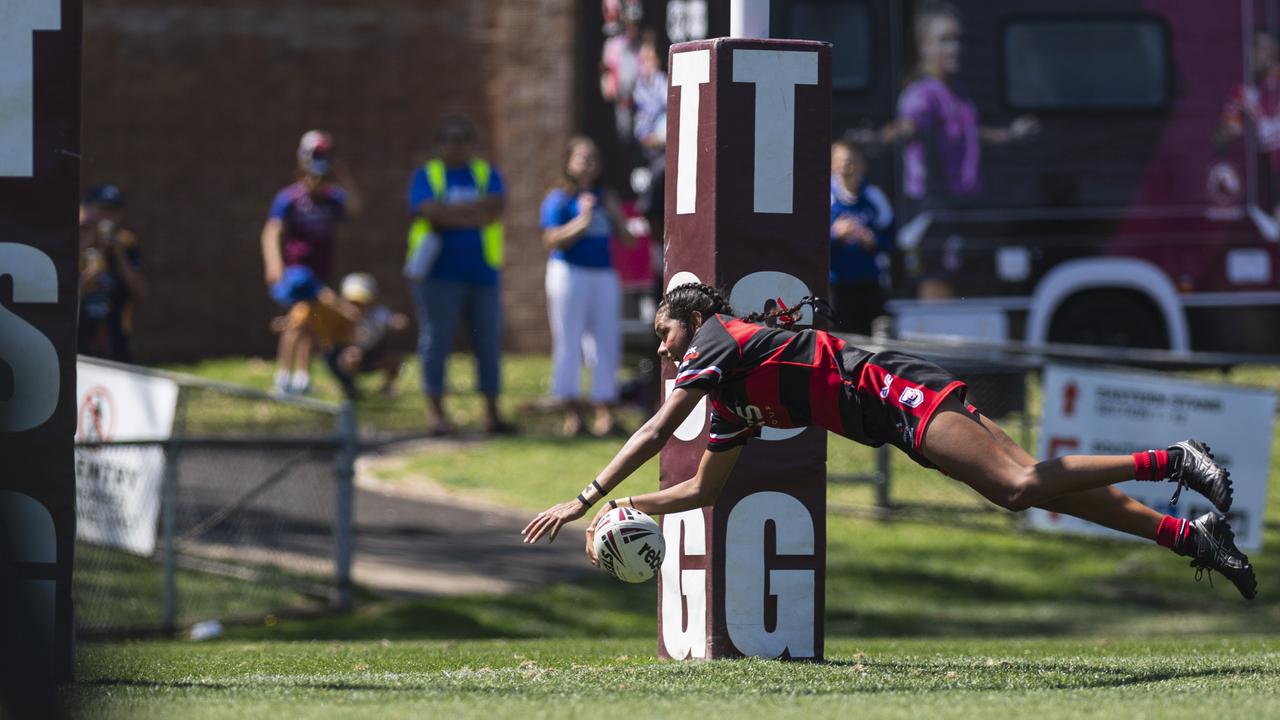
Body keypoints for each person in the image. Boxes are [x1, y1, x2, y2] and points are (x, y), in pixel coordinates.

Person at [522, 283, 1257, 601]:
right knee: (1029, 484)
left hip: (888, 386)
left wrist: (585, 497)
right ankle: (1189, 538)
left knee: (1019, 487)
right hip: (891, 417)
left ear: (693, 319)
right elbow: (703, 492)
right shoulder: (730, 403)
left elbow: (655, 428)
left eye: (664, 335)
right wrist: (625, 513)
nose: (662, 350)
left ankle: (1175, 459)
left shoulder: (717, 338)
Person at [406, 115, 515, 436]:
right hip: (437, 275)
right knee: (436, 341)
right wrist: (472, 215)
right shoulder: (427, 175)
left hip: (482, 274)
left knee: (488, 342)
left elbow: (495, 207)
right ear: (439, 144)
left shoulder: (485, 173)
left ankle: (492, 414)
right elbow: (429, 212)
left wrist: (450, 214)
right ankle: (436, 413)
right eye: (449, 139)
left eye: (463, 138)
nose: (456, 145)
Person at [540, 136, 635, 437]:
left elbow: (629, 241)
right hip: (569, 273)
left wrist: (616, 215)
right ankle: (572, 413)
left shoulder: (606, 196)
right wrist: (583, 220)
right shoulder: (559, 198)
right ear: (569, 162)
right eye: (582, 158)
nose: (588, 164)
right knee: (569, 340)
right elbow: (552, 239)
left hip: (603, 274)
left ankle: (604, 410)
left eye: (593, 158)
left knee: (606, 342)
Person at [261, 130, 363, 394]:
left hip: (320, 271)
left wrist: (342, 175)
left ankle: (301, 378)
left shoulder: (332, 198)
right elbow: (272, 230)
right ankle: (285, 376)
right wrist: (274, 264)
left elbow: (356, 207)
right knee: (300, 319)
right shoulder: (291, 198)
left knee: (309, 322)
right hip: (297, 272)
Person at [829, 140, 895, 335]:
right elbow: (808, 243)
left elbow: (891, 240)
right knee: (840, 337)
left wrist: (873, 240)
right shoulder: (824, 198)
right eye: (841, 161)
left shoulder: (875, 197)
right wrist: (835, 235)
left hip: (870, 282)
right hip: (836, 284)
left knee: (873, 337)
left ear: (862, 165)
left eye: (852, 161)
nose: (847, 167)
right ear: (832, 165)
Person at [78, 183, 148, 361]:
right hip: (78, 342)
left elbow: (141, 292)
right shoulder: (75, 239)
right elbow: (68, 295)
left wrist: (119, 254)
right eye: (103, 209)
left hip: (115, 342)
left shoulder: (126, 243)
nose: (108, 217)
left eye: (114, 210)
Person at [323, 273, 410, 401]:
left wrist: (398, 322)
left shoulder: (378, 314)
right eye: (353, 301)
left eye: (362, 301)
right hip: (345, 358)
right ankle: (349, 387)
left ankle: (386, 387)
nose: (357, 306)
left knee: (396, 359)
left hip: (369, 356)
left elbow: (392, 320)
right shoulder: (338, 318)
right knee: (351, 357)